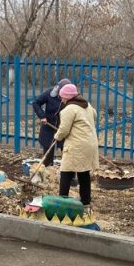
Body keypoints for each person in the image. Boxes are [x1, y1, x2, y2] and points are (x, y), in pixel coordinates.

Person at [54, 82, 99, 210]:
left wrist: (57, 136)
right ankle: (85, 202)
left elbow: (64, 129)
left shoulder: (69, 109)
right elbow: (95, 115)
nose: (61, 100)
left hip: (77, 145)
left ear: (68, 97)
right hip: (90, 143)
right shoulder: (87, 105)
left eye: (62, 97)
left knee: (66, 172)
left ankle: (62, 202)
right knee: (84, 172)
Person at [32, 77, 71, 166]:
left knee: (67, 151)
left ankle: (67, 171)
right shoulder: (50, 93)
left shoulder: (71, 97)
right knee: (48, 153)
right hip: (49, 127)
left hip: (64, 128)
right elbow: (36, 103)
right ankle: (48, 169)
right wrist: (42, 116)